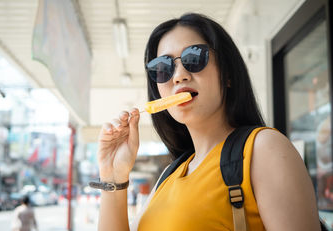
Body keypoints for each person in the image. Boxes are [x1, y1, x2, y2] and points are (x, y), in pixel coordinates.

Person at [96, 13, 321, 230]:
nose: (178, 75)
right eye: (163, 68)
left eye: (194, 58)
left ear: (228, 74)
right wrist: (113, 177)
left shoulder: (264, 149)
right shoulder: (168, 176)